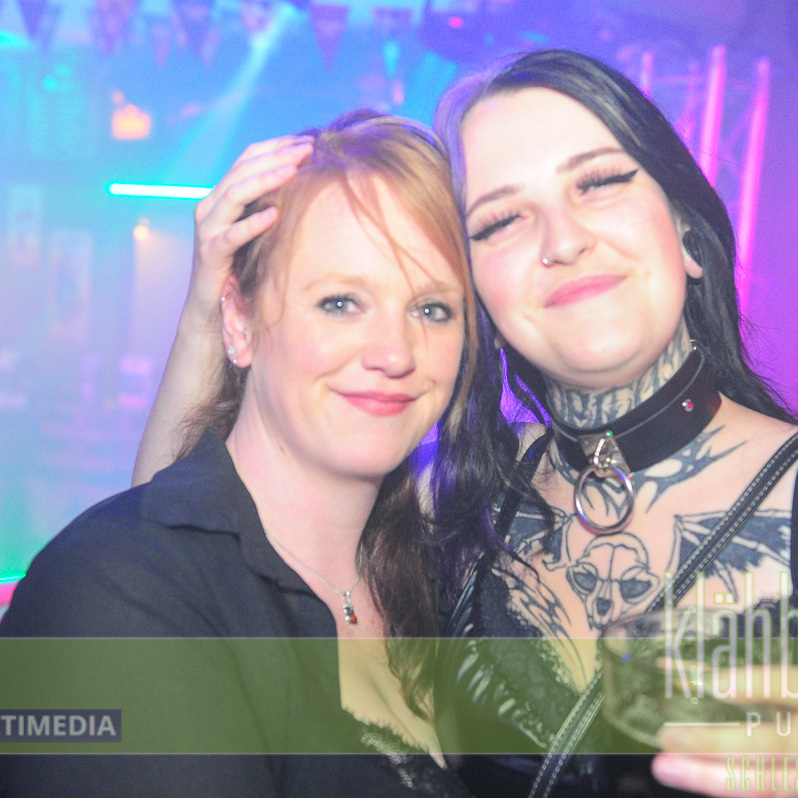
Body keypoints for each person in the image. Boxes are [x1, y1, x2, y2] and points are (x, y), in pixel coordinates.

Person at [129, 51, 798, 798]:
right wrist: (208, 308)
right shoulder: (460, 489)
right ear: (478, 297)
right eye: (502, 220)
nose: (563, 239)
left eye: (600, 182)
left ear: (686, 231)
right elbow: (176, 546)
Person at [0, 111, 478, 797]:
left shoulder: (440, 584)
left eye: (433, 310)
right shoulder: (112, 589)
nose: (395, 353)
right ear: (239, 319)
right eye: (341, 302)